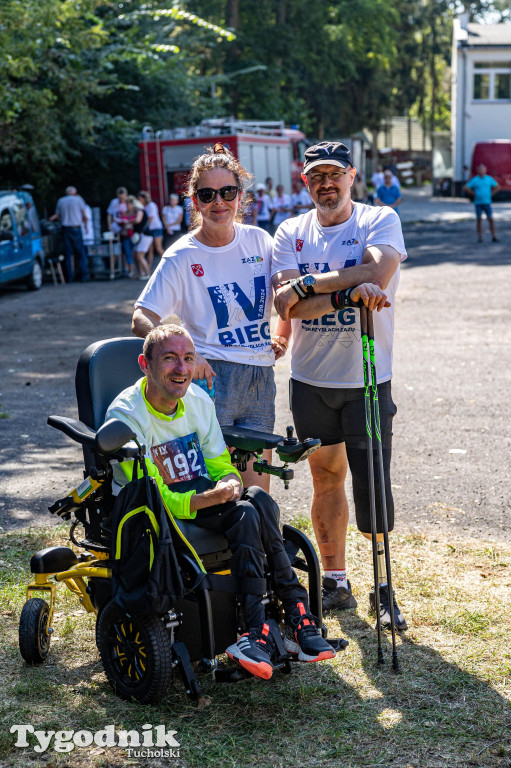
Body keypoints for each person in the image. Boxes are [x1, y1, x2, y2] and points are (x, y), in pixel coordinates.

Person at [105, 324, 335, 679]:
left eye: (187, 358)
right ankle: (293, 617)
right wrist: (206, 498)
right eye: (169, 359)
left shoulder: (197, 400)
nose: (182, 368)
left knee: (255, 500)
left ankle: (269, 626)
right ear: (144, 364)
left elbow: (217, 462)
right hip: (148, 512)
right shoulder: (126, 416)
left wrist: (229, 481)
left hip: (198, 498)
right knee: (249, 510)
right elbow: (153, 493)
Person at [271, 140, 408, 631]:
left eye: (334, 174)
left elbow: (379, 269)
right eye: (315, 177)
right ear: (304, 182)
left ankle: (384, 586)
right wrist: (345, 292)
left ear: (352, 175)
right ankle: (336, 580)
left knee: (373, 480)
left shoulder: (378, 219)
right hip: (311, 380)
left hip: (367, 378)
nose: (325, 184)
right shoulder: (290, 231)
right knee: (325, 477)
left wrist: (309, 285)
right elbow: (289, 307)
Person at [131, 144, 290, 492]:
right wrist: (188, 355)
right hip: (210, 379)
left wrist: (282, 333)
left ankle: (253, 546)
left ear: (240, 196)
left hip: (260, 378)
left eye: (227, 192)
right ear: (194, 201)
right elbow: (141, 316)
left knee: (255, 492)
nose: (219, 202)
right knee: (214, 488)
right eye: (207, 194)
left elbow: (286, 293)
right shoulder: (181, 255)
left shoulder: (260, 241)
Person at [50, 186, 89, 282]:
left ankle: (69, 278)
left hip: (66, 229)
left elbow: (58, 217)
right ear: (74, 193)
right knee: (81, 253)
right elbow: (84, 215)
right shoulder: (78, 200)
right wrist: (86, 227)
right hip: (76, 228)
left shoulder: (61, 201)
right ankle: (84, 276)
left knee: (68, 254)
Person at [464, 164, 500, 243]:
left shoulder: (489, 179)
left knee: (490, 219)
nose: (482, 171)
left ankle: (494, 236)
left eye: (483, 169)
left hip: (487, 202)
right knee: (479, 220)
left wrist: (491, 194)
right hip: (478, 203)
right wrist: (473, 193)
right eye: (480, 169)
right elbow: (466, 187)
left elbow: (497, 187)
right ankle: (480, 237)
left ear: (485, 170)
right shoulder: (475, 179)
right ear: (478, 170)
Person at [107, 186, 135, 276]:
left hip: (126, 230)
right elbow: (109, 214)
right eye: (120, 197)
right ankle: (113, 270)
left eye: (123, 197)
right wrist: (109, 225)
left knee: (127, 250)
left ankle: (128, 269)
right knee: (114, 250)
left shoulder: (129, 202)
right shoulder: (114, 202)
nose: (122, 199)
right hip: (116, 229)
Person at [127, 195, 151, 280]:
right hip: (142, 236)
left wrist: (129, 222)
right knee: (135, 255)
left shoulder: (140, 211)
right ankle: (140, 273)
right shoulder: (140, 211)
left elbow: (138, 220)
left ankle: (148, 274)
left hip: (145, 236)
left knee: (140, 256)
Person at [138, 191, 163, 270]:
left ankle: (170, 263)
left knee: (158, 248)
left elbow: (150, 219)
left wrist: (142, 228)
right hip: (149, 230)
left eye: (140, 199)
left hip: (156, 228)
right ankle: (148, 268)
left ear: (144, 198)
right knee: (150, 250)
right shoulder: (143, 207)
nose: (139, 200)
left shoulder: (151, 205)